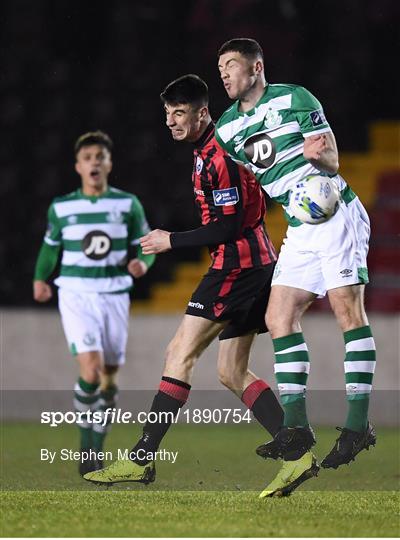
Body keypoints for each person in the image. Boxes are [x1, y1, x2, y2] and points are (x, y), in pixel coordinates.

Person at [84, 75, 319, 497]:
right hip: (258, 263)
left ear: (202, 112)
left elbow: (228, 224)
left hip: (237, 267)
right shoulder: (212, 148)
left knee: (179, 353)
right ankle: (298, 453)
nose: (171, 122)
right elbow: (254, 201)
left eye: (180, 113)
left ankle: (141, 458)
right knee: (230, 370)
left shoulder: (217, 156)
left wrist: (169, 240)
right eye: (168, 114)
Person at [214, 38, 376, 476]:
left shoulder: (294, 97)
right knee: (278, 317)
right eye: (221, 67)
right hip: (299, 223)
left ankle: (358, 425)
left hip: (334, 210)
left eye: (231, 65)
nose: (225, 73)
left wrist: (319, 157)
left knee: (347, 310)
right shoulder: (227, 129)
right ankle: (296, 428)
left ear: (256, 68)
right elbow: (262, 177)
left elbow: (334, 158)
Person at [33, 130, 155, 476]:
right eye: (88, 158)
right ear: (78, 166)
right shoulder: (62, 207)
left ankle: (97, 450)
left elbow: (145, 246)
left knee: (110, 379)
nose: (94, 163)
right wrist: (40, 279)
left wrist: (141, 263)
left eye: (100, 157)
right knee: (91, 370)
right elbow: (50, 247)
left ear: (109, 164)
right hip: (76, 294)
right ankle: (87, 450)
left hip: (114, 294)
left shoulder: (127, 204)